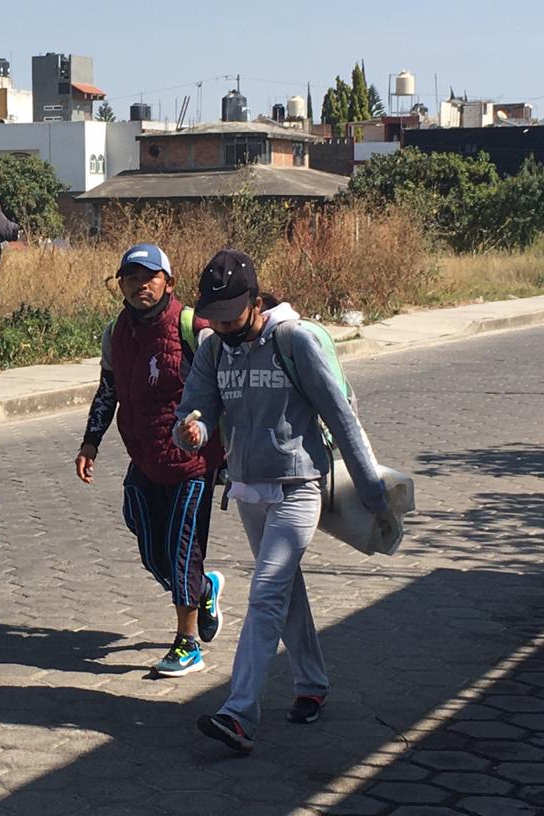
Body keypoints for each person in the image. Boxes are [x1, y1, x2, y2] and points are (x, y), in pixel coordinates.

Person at [174, 249, 386, 753]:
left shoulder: (295, 340)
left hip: (299, 484)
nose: (223, 326)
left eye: (231, 316)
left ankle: (239, 713)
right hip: (247, 488)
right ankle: (312, 683)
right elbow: (193, 414)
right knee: (285, 592)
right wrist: (192, 431)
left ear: (254, 301)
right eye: (215, 317)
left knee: (266, 593)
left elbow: (341, 416)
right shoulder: (213, 350)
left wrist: (374, 491)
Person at [75, 243, 226, 677]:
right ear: (120, 285)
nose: (141, 285)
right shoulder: (116, 333)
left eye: (150, 277)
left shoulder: (194, 329)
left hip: (192, 462)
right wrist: (90, 443)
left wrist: (225, 445)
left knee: (181, 548)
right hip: (143, 456)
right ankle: (203, 588)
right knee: (149, 546)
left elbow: (226, 391)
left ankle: (187, 644)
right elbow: (108, 390)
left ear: (169, 283)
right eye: (132, 278)